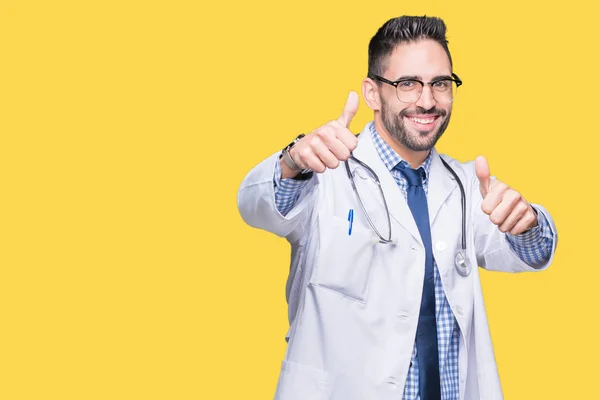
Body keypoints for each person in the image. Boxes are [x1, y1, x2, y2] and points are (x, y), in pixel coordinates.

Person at [237, 15, 557, 400]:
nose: (427, 100)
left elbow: (533, 254)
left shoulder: (467, 183)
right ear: (372, 93)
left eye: (440, 83)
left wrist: (528, 226)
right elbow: (257, 205)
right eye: (408, 84)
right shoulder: (324, 172)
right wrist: (292, 162)